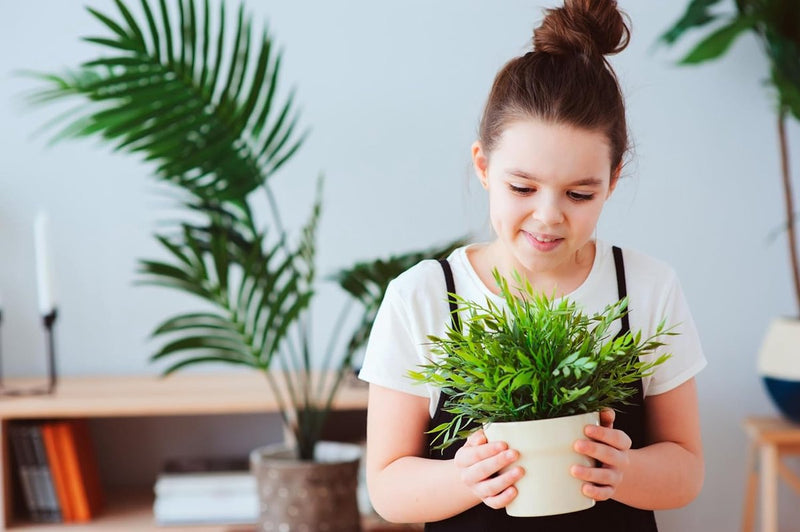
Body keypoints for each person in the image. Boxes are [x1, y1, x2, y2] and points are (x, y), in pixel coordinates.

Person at [358, 1, 706, 530]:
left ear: (612, 181)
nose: (548, 217)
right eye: (522, 187)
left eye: (580, 193)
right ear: (483, 165)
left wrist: (625, 470)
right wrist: (464, 478)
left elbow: (685, 469)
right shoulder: (424, 298)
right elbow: (386, 487)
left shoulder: (645, 287)